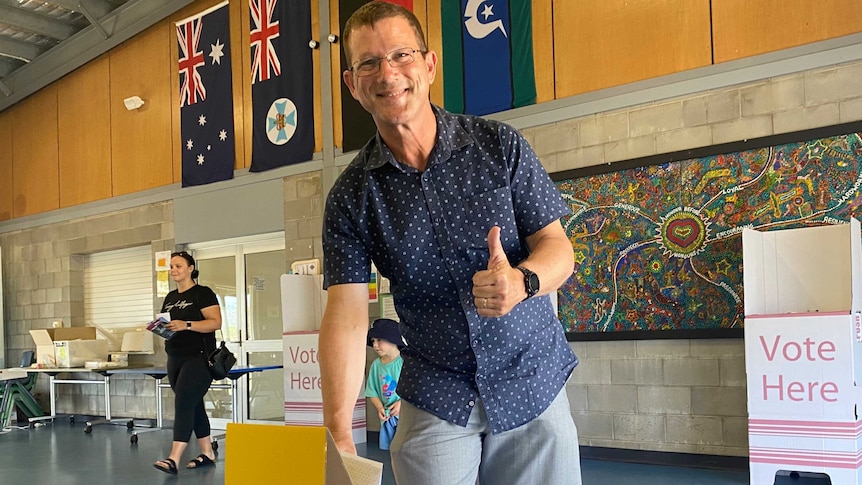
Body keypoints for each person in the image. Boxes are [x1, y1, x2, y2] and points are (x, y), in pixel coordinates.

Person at [318, 3, 582, 485]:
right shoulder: (352, 196)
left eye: (401, 55)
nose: (388, 73)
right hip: (437, 391)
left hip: (531, 380)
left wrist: (522, 282)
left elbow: (558, 249)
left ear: (430, 65)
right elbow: (347, 315)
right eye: (369, 63)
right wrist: (338, 429)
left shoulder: (499, 146)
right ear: (352, 84)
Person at [153, 251, 222, 475]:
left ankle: (173, 458)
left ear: (191, 268)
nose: (173, 270)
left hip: (199, 357)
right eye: (171, 266)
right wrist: (162, 328)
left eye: (178, 266)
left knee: (183, 402)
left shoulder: (203, 293)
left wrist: (187, 325)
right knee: (193, 404)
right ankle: (208, 452)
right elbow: (170, 326)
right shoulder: (170, 297)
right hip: (175, 357)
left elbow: (215, 323)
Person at [365, 318, 404, 451]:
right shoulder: (376, 365)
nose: (375, 345)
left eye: (379, 340)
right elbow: (372, 391)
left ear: (393, 340)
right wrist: (380, 408)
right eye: (373, 341)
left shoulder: (405, 362)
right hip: (387, 418)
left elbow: (415, 390)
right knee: (391, 451)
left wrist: (401, 404)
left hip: (405, 417)